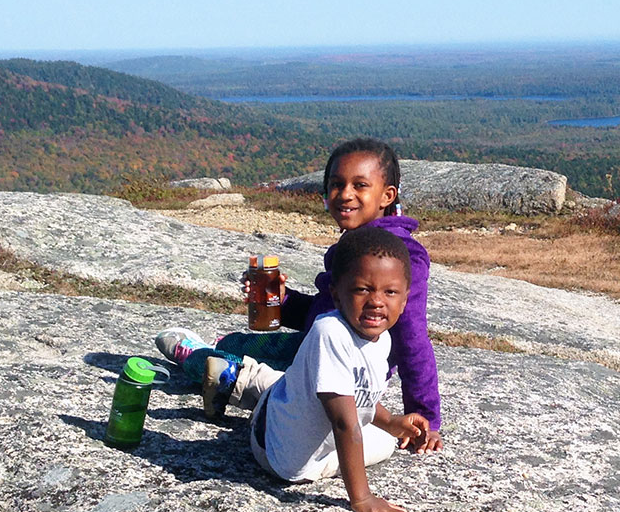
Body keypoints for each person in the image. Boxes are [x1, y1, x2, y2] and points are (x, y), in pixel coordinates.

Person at [155, 138, 442, 452]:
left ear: (387, 195)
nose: (345, 194)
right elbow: (328, 312)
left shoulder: (400, 257)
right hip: (311, 346)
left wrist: (425, 416)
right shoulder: (358, 243)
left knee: (215, 363)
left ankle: (208, 363)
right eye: (336, 184)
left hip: (342, 368)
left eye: (360, 185)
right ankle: (222, 355)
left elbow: (412, 337)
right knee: (235, 341)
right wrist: (284, 299)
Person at [249, 225, 425, 512]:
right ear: (336, 294)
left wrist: (393, 422)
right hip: (279, 456)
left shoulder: (381, 339)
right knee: (295, 389)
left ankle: (265, 382)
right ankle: (244, 380)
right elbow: (345, 423)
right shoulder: (329, 332)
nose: (377, 301)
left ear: (405, 299)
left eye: (390, 292)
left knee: (387, 439)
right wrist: (362, 498)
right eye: (362, 289)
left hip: (308, 430)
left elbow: (363, 397)